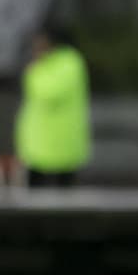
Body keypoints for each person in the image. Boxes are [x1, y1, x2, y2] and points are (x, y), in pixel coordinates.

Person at [15, 24, 90, 187]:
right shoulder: (47, 62)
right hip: (40, 145)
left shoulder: (69, 62)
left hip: (60, 144)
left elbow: (48, 93)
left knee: (61, 196)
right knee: (35, 196)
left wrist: (32, 73)